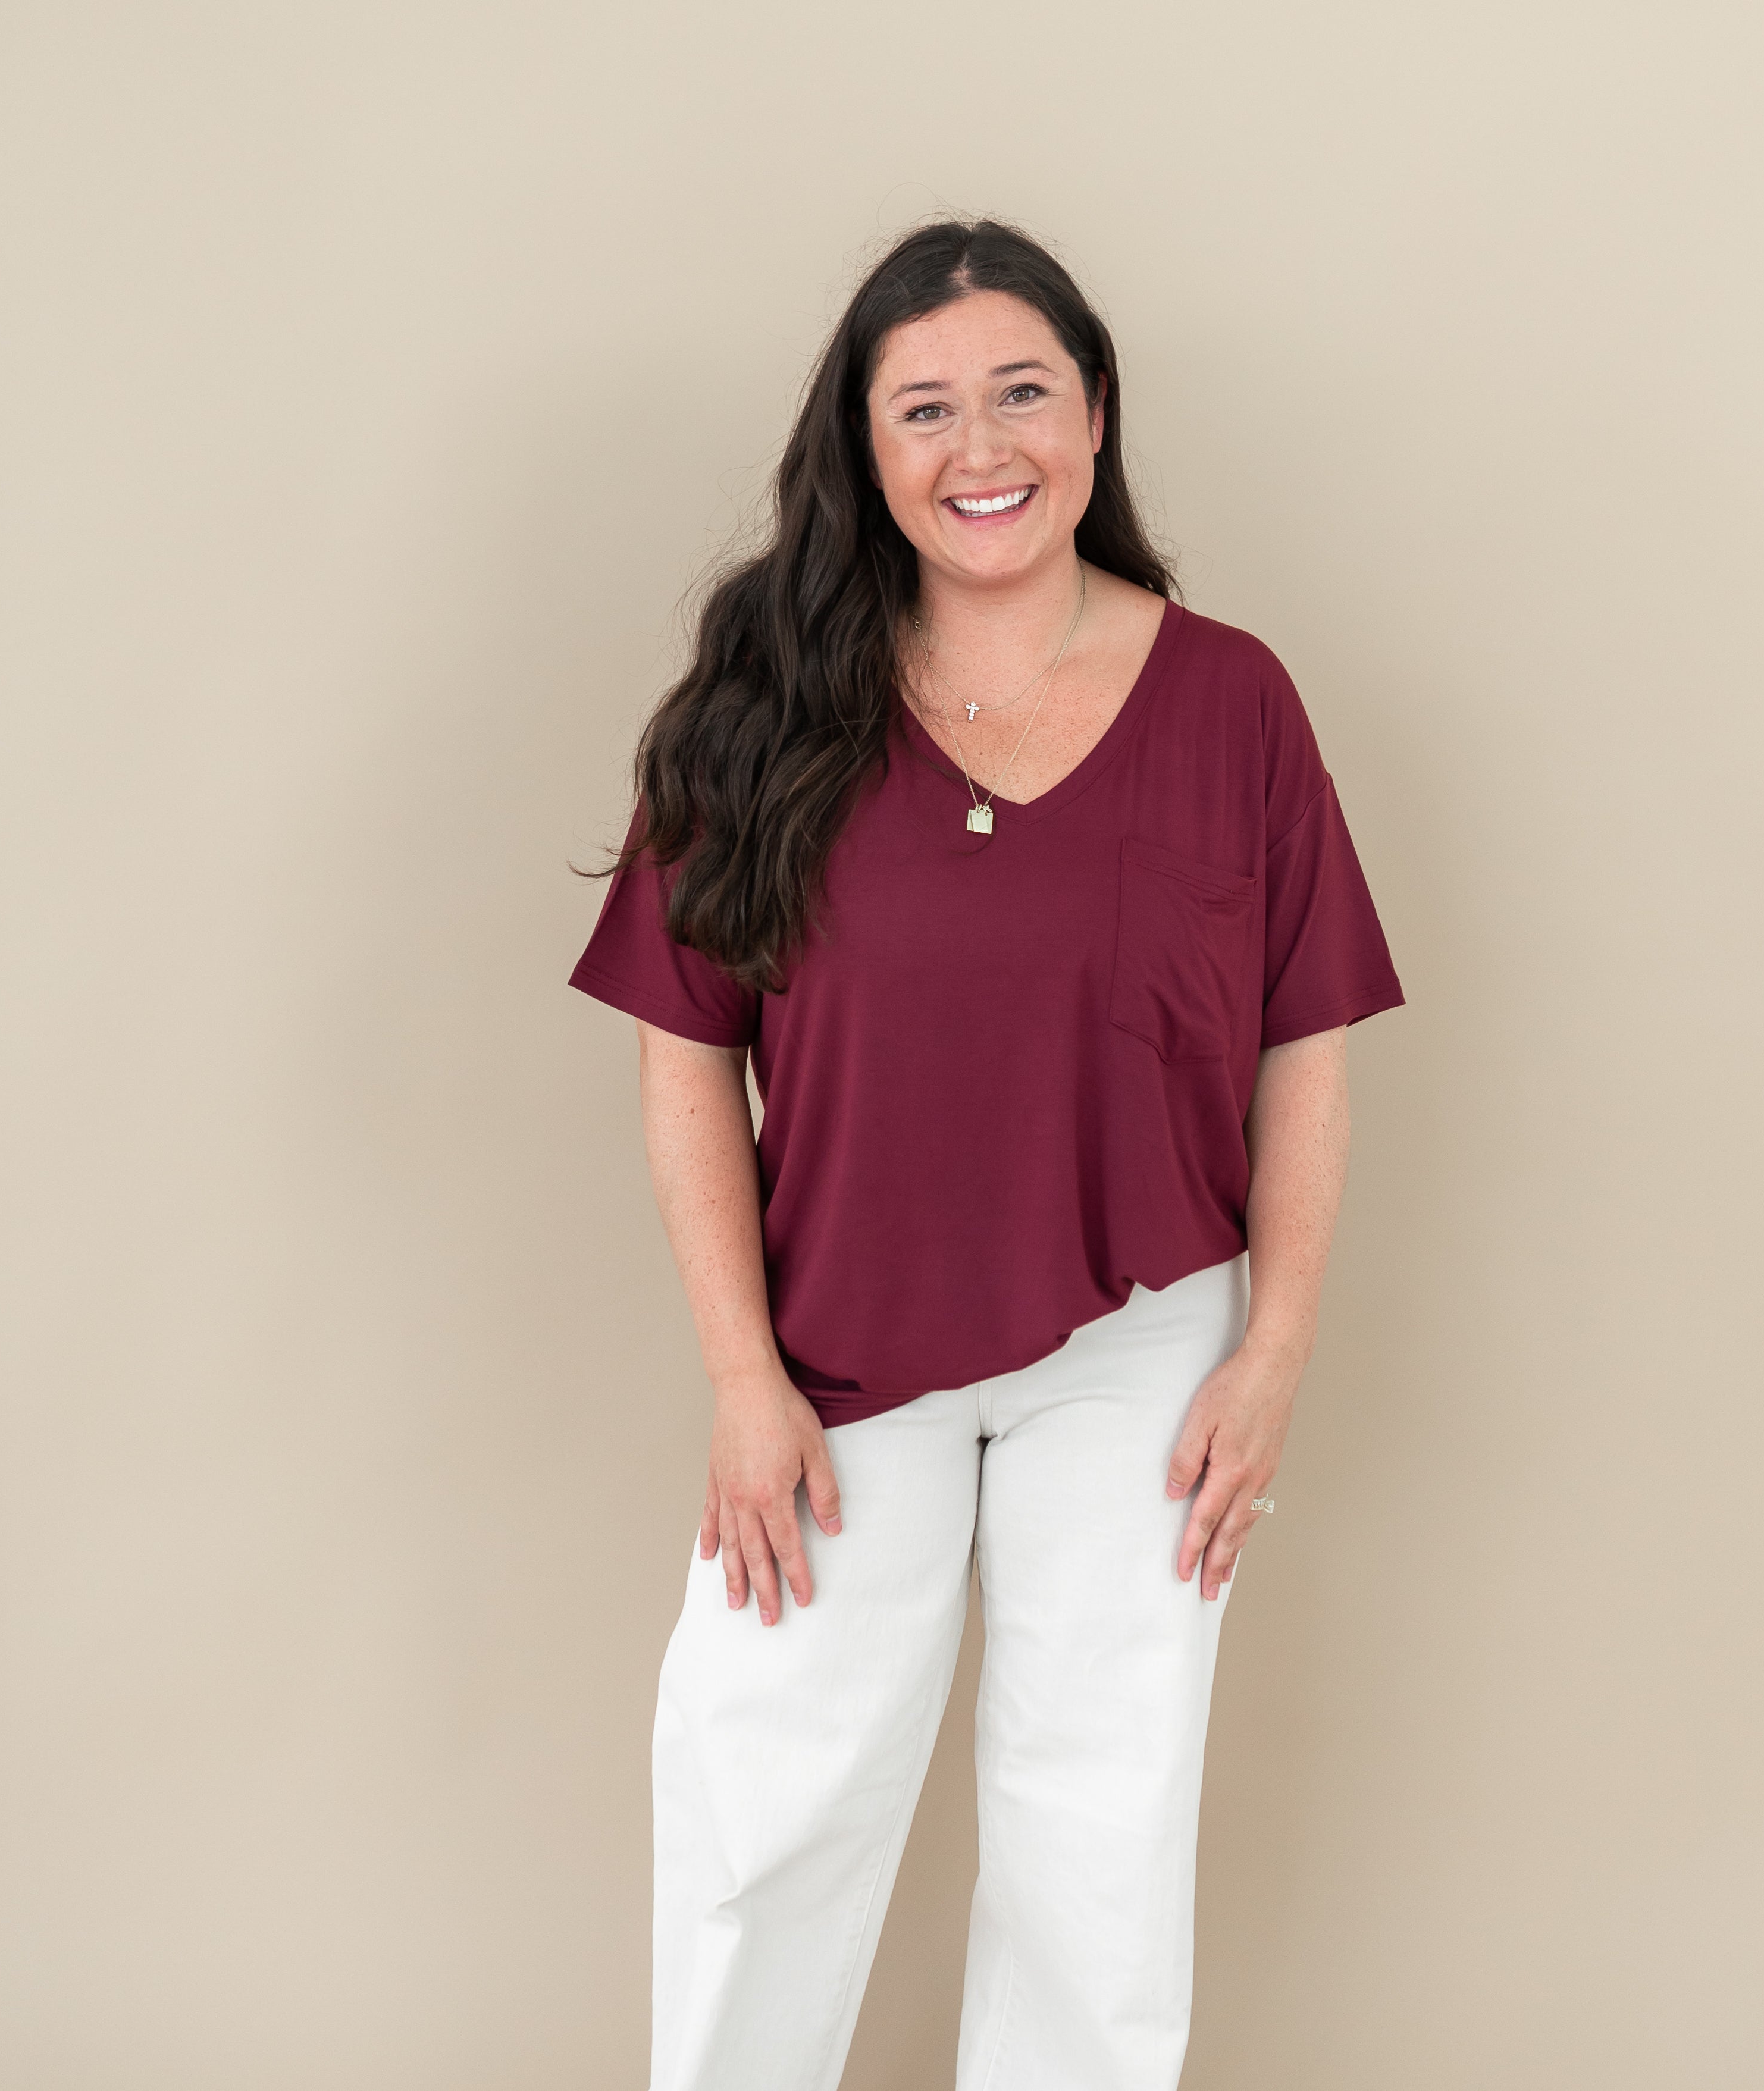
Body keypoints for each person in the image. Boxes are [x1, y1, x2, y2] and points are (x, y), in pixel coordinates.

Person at [568, 218, 1403, 2091]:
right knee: (760, 1803)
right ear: (865, 454)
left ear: (1095, 418)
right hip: (831, 1347)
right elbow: (684, 1057)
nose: (981, 444)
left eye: (1022, 390)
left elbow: (1306, 1053)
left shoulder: (1231, 700)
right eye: (923, 407)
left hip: (1143, 1345)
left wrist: (1269, 1353)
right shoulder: (763, 700)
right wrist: (738, 1378)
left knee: (1098, 1847)